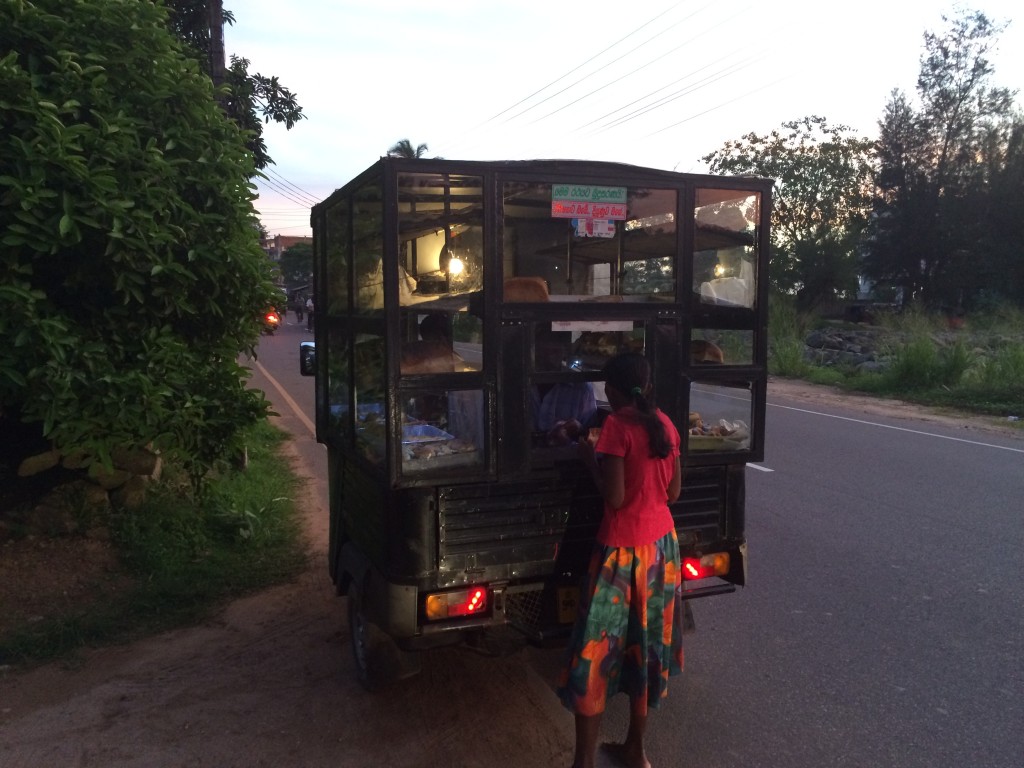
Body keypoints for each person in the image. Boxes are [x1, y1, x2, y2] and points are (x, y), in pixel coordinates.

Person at [558, 352, 684, 768]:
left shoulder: (616, 427)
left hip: (620, 556)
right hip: (661, 551)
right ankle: (636, 751)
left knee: (595, 654)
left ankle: (583, 764)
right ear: (647, 387)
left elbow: (613, 497)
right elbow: (674, 494)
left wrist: (587, 461)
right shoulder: (664, 423)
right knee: (644, 650)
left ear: (610, 391)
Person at [531, 326, 596, 444]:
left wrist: (578, 431)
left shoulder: (581, 387)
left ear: (565, 350)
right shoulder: (519, 382)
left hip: (566, 459)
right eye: (544, 349)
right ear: (534, 350)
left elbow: (590, 436)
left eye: (555, 350)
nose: (549, 355)